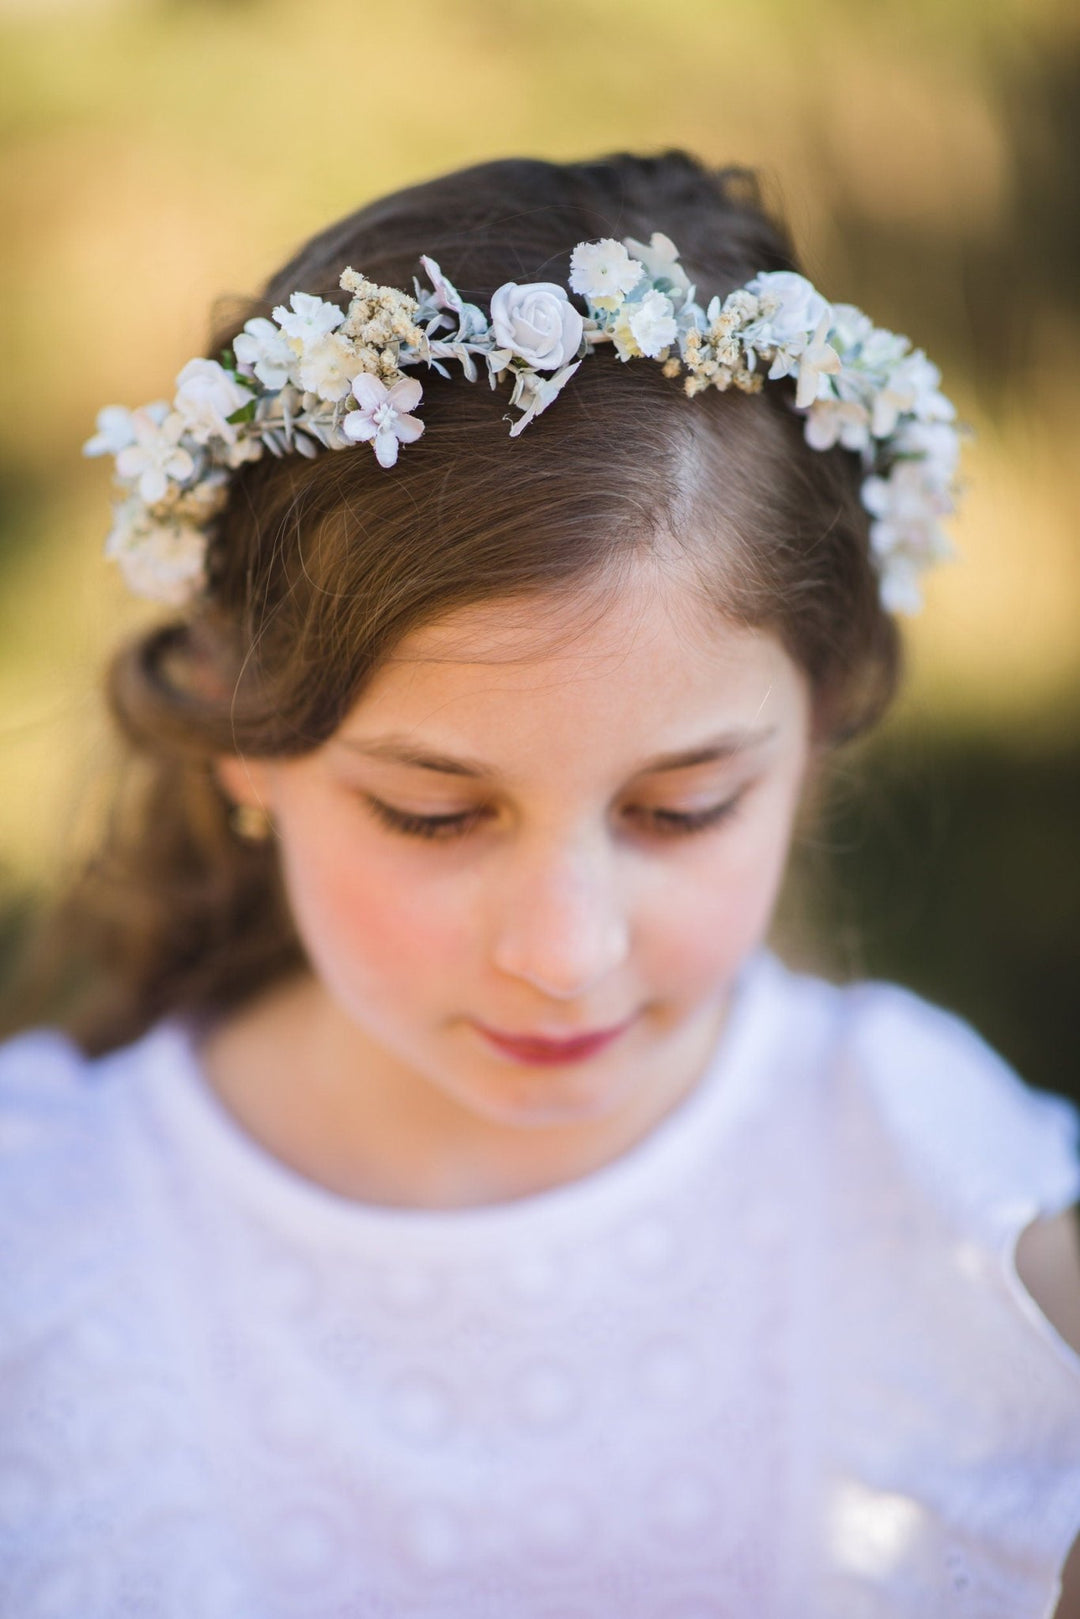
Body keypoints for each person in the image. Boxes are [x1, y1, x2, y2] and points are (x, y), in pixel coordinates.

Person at [1, 150, 1078, 1619]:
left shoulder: (982, 1235)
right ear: (239, 733)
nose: (565, 954)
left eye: (681, 809)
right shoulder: (38, 1240)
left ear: (816, 733)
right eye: (434, 816)